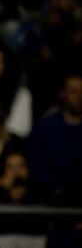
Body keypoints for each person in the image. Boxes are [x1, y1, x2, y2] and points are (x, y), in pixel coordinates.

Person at [31, 73, 82, 205]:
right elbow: (37, 163)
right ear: (62, 94)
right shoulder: (45, 126)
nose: (79, 97)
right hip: (50, 197)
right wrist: (53, 188)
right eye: (73, 91)